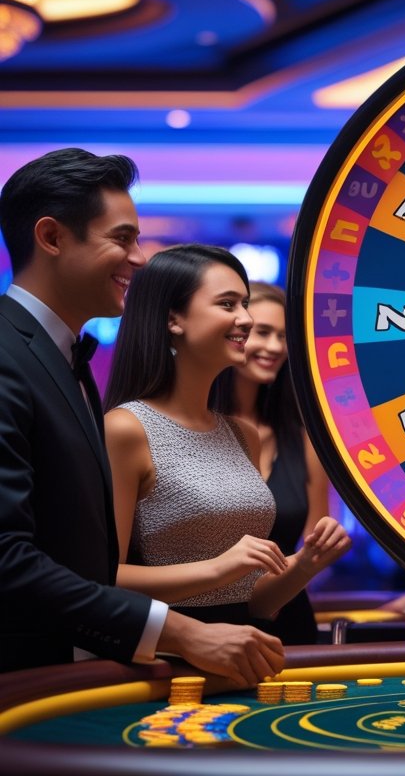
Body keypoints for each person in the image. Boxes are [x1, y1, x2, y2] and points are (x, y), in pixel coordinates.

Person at [0, 148, 283, 684]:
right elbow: (7, 557)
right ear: (53, 237)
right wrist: (180, 631)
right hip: (21, 680)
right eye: (122, 238)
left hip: (72, 670)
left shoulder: (62, 357)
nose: (138, 258)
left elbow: (78, 557)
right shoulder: (7, 353)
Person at [103, 245, 350, 629]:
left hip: (246, 651)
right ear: (174, 320)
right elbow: (105, 581)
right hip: (170, 658)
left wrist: (304, 565)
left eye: (245, 304)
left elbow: (254, 603)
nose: (246, 319)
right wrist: (219, 568)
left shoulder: (241, 435)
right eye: (228, 304)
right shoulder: (126, 428)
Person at [209, 282, 334, 644]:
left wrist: (293, 575)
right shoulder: (193, 428)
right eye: (262, 333)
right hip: (207, 622)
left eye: (283, 337)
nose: (275, 347)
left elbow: (315, 541)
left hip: (288, 621)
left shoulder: (303, 436)